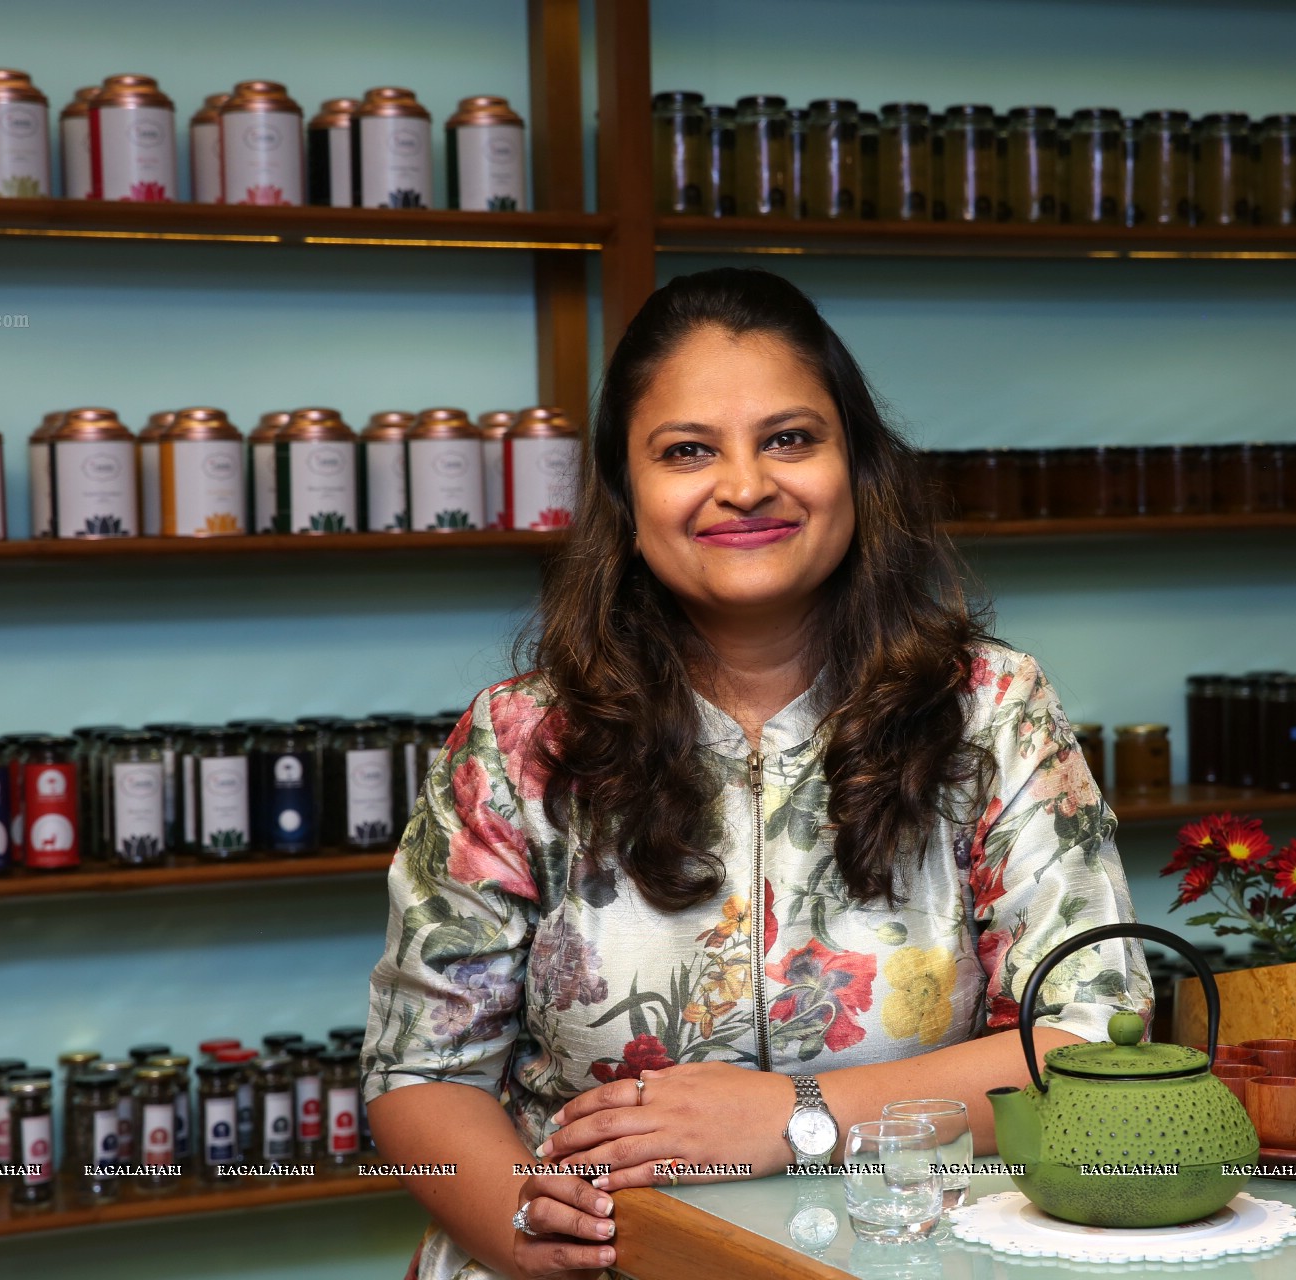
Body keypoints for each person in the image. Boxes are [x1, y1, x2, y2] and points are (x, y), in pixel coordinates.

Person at [360, 266, 1152, 1280]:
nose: (744, 484)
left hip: (900, 1257)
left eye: (790, 438)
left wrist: (798, 1116)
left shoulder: (989, 712)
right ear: (625, 491)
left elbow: (1090, 1036)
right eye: (687, 450)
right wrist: (520, 1221)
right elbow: (420, 1067)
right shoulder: (521, 740)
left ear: (856, 466)